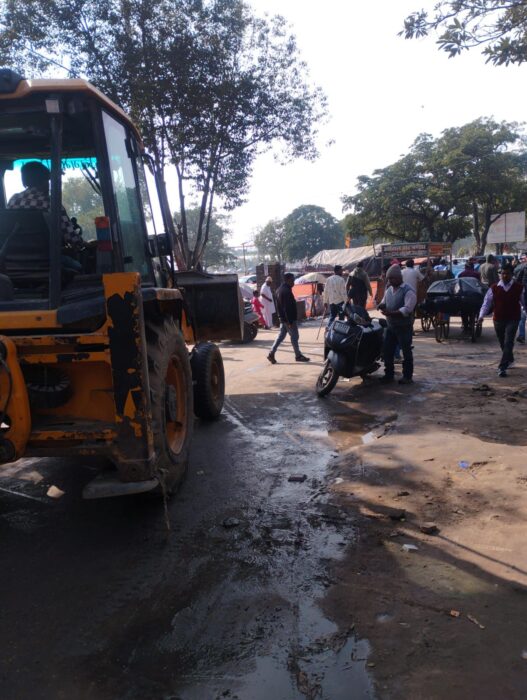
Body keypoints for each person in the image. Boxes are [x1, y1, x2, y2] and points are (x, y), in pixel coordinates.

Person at [7, 161, 83, 249]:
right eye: (48, 180)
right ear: (44, 181)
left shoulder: (13, 200)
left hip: (12, 255)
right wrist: (84, 244)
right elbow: (72, 238)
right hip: (45, 255)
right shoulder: (50, 203)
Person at [478, 263, 524, 377]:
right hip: (498, 319)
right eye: (503, 273)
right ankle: (510, 358)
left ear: (512, 275)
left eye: (507, 274)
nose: (504, 276)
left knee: (509, 341)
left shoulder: (519, 288)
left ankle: (502, 367)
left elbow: (524, 303)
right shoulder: (494, 288)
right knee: (502, 342)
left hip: (513, 318)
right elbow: (486, 303)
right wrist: (481, 316)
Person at [378, 264, 417, 385]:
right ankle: (389, 374)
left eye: (392, 278)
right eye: (389, 279)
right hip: (391, 326)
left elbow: (407, 309)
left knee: (406, 351)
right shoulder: (389, 290)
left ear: (399, 278)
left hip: (404, 327)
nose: (389, 281)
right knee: (387, 351)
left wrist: (391, 313)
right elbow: (384, 302)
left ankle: (407, 376)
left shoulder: (408, 291)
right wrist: (381, 305)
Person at [267, 272, 310, 364]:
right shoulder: (286, 291)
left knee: (280, 337)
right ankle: (298, 355)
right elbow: (287, 308)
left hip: (283, 319)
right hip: (288, 319)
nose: (293, 282)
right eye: (292, 280)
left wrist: (282, 318)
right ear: (287, 280)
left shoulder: (280, 290)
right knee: (294, 336)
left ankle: (271, 353)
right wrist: (289, 321)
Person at [514, 254, 527, 343]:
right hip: (523, 293)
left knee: (522, 315)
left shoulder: (520, 267)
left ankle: (522, 335)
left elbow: (516, 278)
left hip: (523, 293)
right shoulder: (522, 267)